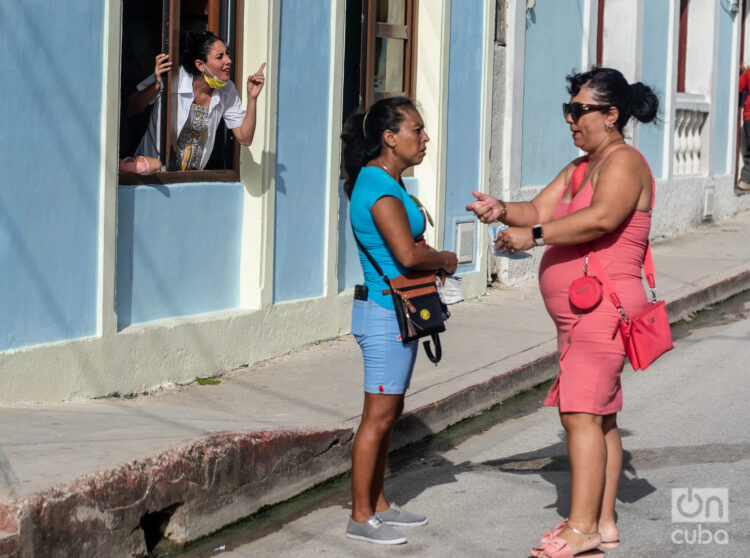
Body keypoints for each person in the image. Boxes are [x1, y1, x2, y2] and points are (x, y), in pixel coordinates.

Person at [467, 67, 659, 558]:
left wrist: (531, 238)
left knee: (578, 415)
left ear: (611, 115)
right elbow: (539, 209)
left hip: (605, 309)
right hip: (583, 315)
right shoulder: (581, 167)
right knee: (601, 417)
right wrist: (502, 209)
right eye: (567, 110)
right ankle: (604, 521)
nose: (571, 120)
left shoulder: (624, 162)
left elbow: (601, 218)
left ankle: (581, 529)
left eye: (579, 110)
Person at [340, 97, 458, 545]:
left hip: (395, 312)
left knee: (390, 415)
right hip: (385, 314)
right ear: (390, 138)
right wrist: (444, 258)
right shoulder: (379, 188)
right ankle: (359, 516)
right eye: (417, 130)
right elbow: (407, 256)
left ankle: (380, 504)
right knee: (377, 417)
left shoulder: (386, 181)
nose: (425, 138)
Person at [126, 30, 265, 171]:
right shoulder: (172, 76)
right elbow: (130, 108)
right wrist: (157, 84)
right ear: (200, 65)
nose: (228, 60)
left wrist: (252, 98)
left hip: (190, 179)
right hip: (151, 175)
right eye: (219, 57)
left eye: (227, 54)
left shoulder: (226, 89)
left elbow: (245, 138)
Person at [737, 62, 750, 191]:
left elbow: (739, 86)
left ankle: (746, 180)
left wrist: (743, 72)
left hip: (749, 116)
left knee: (747, 149)